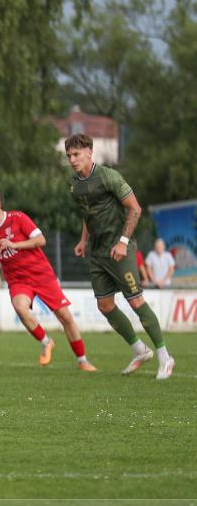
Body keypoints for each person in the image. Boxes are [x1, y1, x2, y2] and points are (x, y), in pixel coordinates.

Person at [66, 133, 174, 379]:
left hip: (119, 249)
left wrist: (124, 242)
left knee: (136, 301)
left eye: (77, 154)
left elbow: (135, 208)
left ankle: (165, 357)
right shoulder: (74, 183)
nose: (72, 160)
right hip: (97, 251)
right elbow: (88, 213)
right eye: (69, 156)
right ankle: (139, 350)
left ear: (90, 152)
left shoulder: (108, 177)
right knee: (104, 305)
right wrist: (84, 240)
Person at [0, 189, 96, 371]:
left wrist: (15, 244)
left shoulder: (18, 218)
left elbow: (40, 240)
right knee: (20, 307)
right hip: (17, 279)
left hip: (41, 274)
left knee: (65, 316)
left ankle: (82, 360)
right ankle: (46, 341)